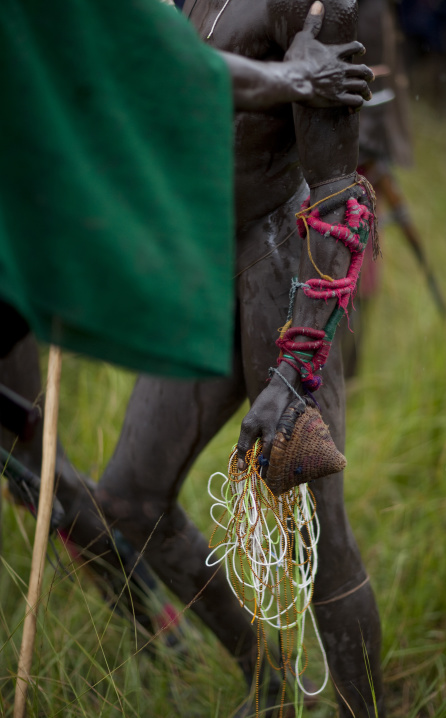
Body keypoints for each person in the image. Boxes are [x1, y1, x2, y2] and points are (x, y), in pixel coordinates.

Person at [1, 0, 382, 715]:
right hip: (204, 262)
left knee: (317, 539)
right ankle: (266, 680)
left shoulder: (313, 6)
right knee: (130, 499)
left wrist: (294, 372)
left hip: (286, 262)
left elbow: (338, 196)